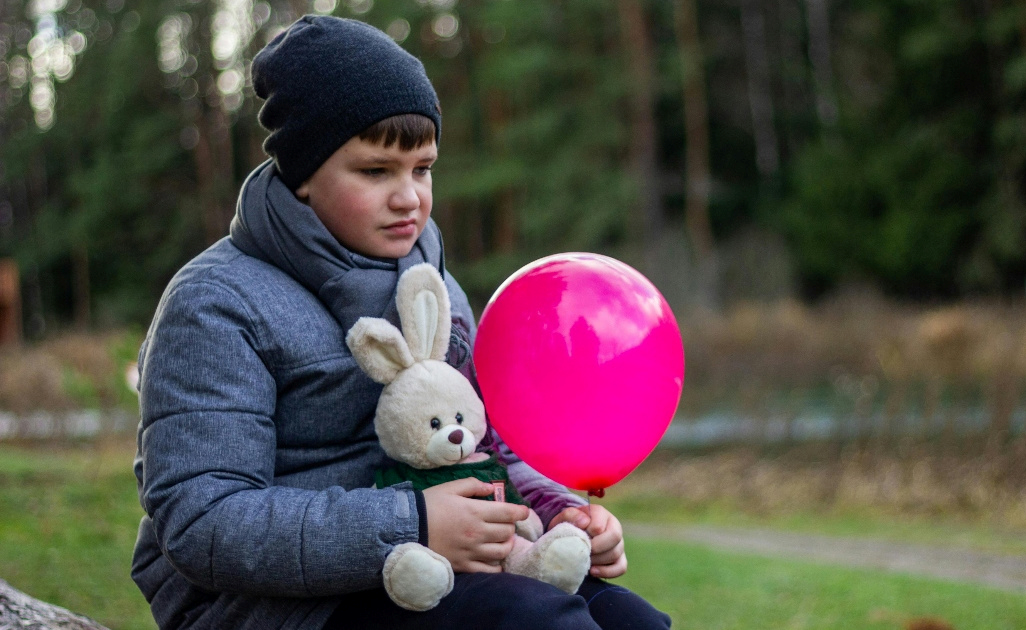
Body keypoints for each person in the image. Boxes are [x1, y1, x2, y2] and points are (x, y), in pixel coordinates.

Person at [131, 15, 671, 630]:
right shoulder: (217, 304)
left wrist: (561, 514)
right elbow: (203, 521)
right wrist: (413, 522)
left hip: (440, 571)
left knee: (633, 622)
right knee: (535, 622)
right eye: (375, 171)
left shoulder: (433, 288)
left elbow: (487, 445)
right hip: (271, 606)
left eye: (423, 167)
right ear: (303, 175)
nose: (409, 197)